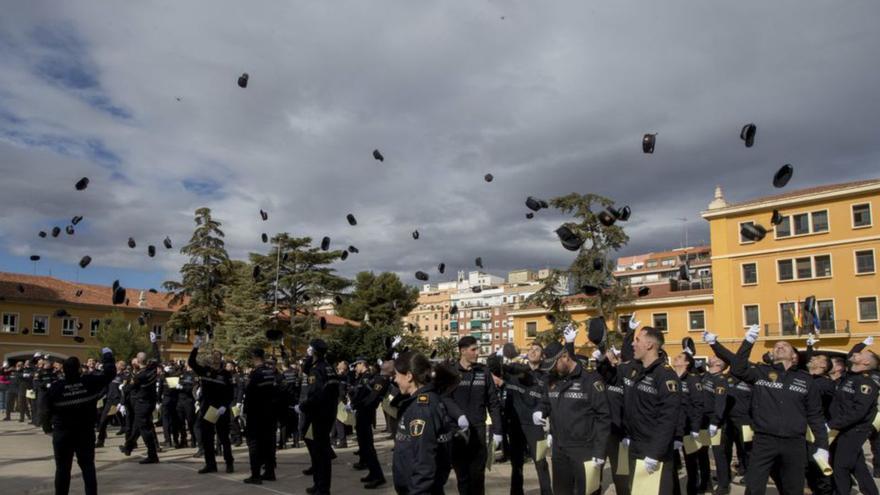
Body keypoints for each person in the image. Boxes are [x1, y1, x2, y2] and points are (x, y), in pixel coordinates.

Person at [704, 325, 828, 495]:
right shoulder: (761, 372)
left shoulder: (806, 380)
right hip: (764, 441)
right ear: (771, 354)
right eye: (776, 346)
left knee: (792, 488)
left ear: (794, 356)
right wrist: (748, 341)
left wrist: (822, 445)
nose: (779, 346)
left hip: (794, 443)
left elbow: (815, 415)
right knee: (754, 488)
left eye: (785, 345)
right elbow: (738, 367)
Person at [40, 347, 116, 495]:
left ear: (63, 371)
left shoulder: (56, 387)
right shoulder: (89, 382)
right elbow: (110, 374)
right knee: (88, 467)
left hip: (63, 433)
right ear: (79, 370)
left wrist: (47, 428)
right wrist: (107, 355)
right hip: (84, 432)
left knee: (62, 469)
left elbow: (44, 410)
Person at [540, 336, 611, 495]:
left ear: (565, 356)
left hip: (584, 449)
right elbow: (546, 401)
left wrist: (600, 452)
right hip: (559, 449)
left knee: (587, 492)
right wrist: (541, 411)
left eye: (554, 365)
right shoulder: (553, 380)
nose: (552, 370)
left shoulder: (590, 380)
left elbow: (604, 417)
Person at [623, 326, 681, 494]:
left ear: (649, 345)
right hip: (636, 444)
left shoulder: (665, 375)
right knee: (636, 490)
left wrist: (655, 452)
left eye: (637, 340)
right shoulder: (637, 370)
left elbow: (668, 417)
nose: (634, 344)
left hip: (654, 449)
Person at [392, 350, 454, 495]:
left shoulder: (421, 408)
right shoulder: (421, 401)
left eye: (396, 375)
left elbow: (424, 459)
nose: (395, 379)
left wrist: (418, 491)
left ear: (408, 376)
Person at [450, 335, 503, 495]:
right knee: (463, 478)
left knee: (478, 477)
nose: (477, 352)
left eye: (477, 349)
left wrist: (498, 431)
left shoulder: (484, 371)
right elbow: (444, 401)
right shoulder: (451, 372)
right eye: (474, 350)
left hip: (479, 432)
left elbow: (493, 403)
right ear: (463, 351)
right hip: (457, 433)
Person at [499, 342, 552, 495]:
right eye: (530, 349)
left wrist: (542, 412)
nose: (533, 351)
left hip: (534, 427)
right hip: (515, 424)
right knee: (516, 464)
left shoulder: (546, 377)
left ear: (542, 356)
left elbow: (547, 400)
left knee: (541, 462)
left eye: (537, 350)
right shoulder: (515, 370)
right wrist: (502, 356)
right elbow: (495, 367)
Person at [827, 343, 879, 494]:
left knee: (840, 466)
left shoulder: (866, 382)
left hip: (854, 430)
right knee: (859, 466)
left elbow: (859, 412)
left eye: (861, 353)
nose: (856, 354)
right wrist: (860, 344)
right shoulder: (850, 376)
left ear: (866, 363)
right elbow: (851, 355)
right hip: (843, 428)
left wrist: (832, 424)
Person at [296, 338, 340, 495]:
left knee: (320, 454)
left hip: (318, 415)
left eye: (309, 349)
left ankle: (322, 488)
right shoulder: (328, 367)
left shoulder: (317, 370)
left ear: (313, 351)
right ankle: (319, 484)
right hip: (328, 413)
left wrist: (302, 406)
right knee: (319, 450)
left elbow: (316, 395)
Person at [188, 335, 235, 474]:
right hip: (208, 408)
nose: (214, 358)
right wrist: (195, 347)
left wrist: (225, 406)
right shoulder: (205, 370)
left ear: (220, 359)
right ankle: (210, 464)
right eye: (213, 356)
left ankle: (229, 463)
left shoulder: (226, 374)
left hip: (220, 409)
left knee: (223, 437)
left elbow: (230, 393)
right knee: (207, 437)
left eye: (217, 356)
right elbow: (191, 362)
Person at [120, 332, 161, 464]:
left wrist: (123, 387)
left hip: (141, 403)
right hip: (151, 402)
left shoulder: (139, 376)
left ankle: (152, 454)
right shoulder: (153, 369)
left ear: (137, 361)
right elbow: (157, 356)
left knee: (144, 428)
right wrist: (154, 343)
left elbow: (129, 388)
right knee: (140, 425)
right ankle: (128, 446)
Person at [670, 350, 707, 495]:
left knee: (691, 463)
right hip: (673, 427)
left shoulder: (692, 379)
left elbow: (698, 405)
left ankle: (693, 490)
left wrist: (696, 428)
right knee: (672, 463)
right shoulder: (670, 377)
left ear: (687, 362)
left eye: (680, 357)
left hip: (689, 427)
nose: (676, 358)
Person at [350, 356, 390, 489]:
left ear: (363, 364)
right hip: (361, 413)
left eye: (357, 365)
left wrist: (356, 405)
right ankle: (373, 473)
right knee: (365, 447)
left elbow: (371, 398)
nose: (355, 367)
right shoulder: (363, 377)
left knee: (368, 447)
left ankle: (378, 476)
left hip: (365, 414)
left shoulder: (374, 378)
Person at [243, 348, 279, 484]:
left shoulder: (255, 373)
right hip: (270, 413)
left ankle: (255, 475)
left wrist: (246, 411)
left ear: (254, 357)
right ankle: (270, 472)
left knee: (254, 445)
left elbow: (250, 394)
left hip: (256, 415)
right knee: (268, 444)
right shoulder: (270, 372)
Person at [95, 360, 126, 448]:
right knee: (103, 421)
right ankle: (100, 441)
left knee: (127, 422)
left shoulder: (124, 376)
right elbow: (105, 388)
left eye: (120, 364)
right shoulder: (111, 376)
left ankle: (131, 442)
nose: (118, 365)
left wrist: (122, 402)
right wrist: (97, 397)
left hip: (119, 402)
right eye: (118, 364)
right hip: (110, 401)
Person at [175, 361, 198, 449]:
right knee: (180, 422)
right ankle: (183, 440)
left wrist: (183, 388)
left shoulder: (194, 375)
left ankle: (193, 439)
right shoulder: (182, 373)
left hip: (189, 400)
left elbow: (194, 388)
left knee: (190, 421)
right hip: (180, 400)